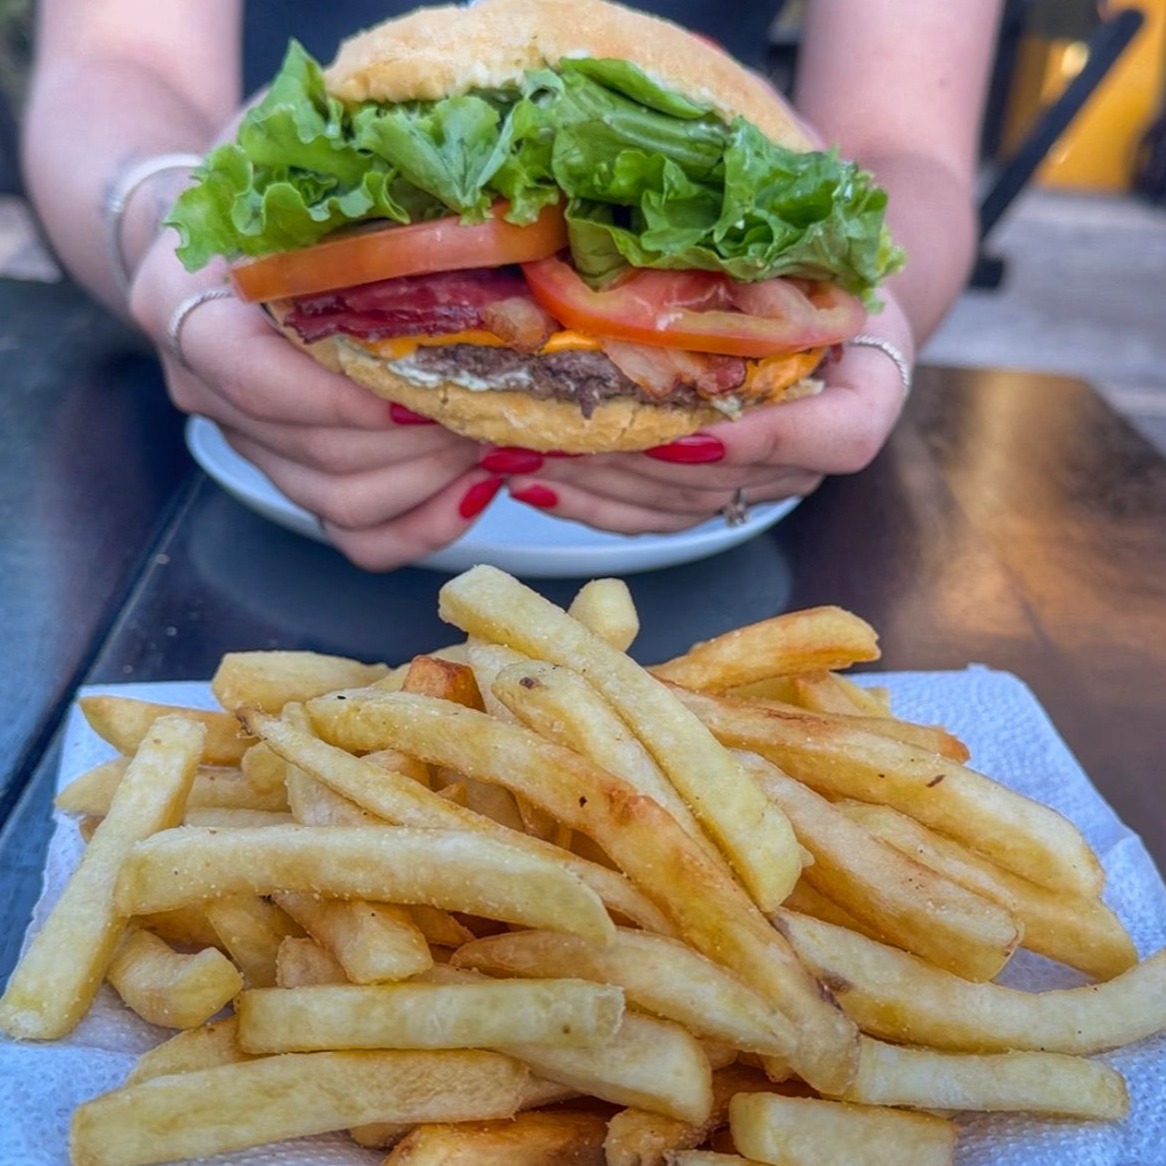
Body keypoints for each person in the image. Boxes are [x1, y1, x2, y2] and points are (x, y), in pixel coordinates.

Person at [20, 0, 1003, 571]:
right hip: (205, 498)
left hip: (733, 551)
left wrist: (871, 320)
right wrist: (161, 213)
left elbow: (900, 150)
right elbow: (113, 62)